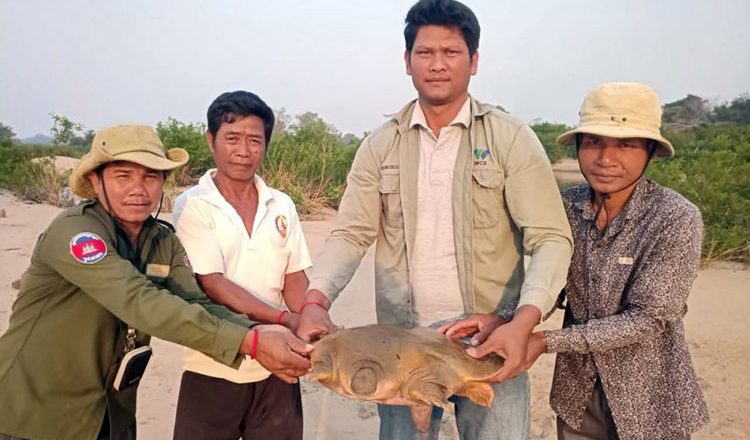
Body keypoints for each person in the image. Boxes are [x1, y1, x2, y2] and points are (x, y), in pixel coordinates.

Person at [295, 0, 573, 438]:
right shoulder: (380, 145)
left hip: (490, 339)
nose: (437, 65)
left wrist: (523, 321)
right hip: (399, 346)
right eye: (425, 53)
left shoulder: (510, 139)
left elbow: (550, 238)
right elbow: (351, 233)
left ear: (474, 60)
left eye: (451, 52)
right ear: (407, 61)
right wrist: (315, 301)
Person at [0, 125, 311, 440]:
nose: (138, 189)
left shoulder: (161, 239)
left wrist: (257, 331)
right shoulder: (76, 234)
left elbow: (195, 301)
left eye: (150, 177)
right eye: (123, 176)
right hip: (34, 414)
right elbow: (141, 302)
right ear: (96, 180)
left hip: (110, 413)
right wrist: (253, 343)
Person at [522, 82, 710, 439]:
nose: (606, 159)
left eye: (625, 145)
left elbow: (650, 318)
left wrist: (545, 342)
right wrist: (508, 319)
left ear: (651, 152)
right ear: (579, 146)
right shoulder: (566, 207)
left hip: (650, 398)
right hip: (577, 395)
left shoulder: (675, 217)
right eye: (593, 142)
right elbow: (549, 282)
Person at [170, 91, 312, 440]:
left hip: (277, 367)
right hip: (215, 363)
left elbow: (294, 277)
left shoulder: (281, 204)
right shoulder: (194, 205)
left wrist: (309, 315)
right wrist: (283, 319)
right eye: (232, 138)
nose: (244, 151)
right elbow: (213, 284)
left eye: (255, 140)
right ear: (211, 140)